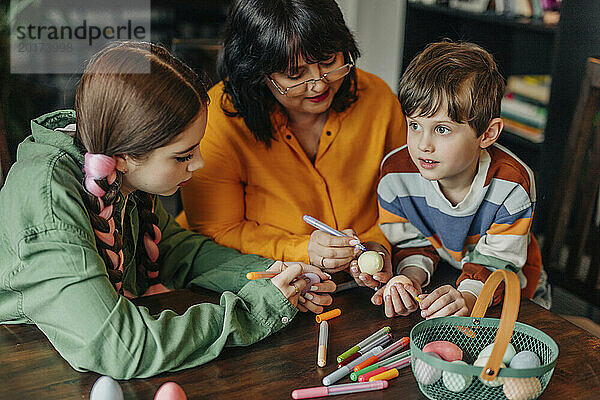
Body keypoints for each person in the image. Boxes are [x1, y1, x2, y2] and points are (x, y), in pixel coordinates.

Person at [0, 41, 334, 379]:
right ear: (127, 157)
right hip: (30, 366)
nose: (200, 163)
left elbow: (177, 250)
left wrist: (276, 275)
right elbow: (120, 347)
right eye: (183, 156)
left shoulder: (115, 165)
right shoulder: (50, 204)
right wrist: (254, 310)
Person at [178, 0, 406, 288]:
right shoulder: (218, 122)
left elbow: (406, 198)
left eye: (328, 61)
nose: (319, 85)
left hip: (360, 289)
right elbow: (217, 229)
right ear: (258, 73)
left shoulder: (378, 100)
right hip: (254, 283)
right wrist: (303, 249)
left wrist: (378, 245)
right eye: (295, 75)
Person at [371, 41, 551, 319]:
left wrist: (467, 298)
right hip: (450, 281)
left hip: (515, 294)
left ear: (487, 134)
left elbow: (497, 264)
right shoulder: (396, 175)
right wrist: (410, 279)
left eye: (442, 129)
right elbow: (412, 244)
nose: (423, 145)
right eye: (415, 125)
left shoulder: (511, 184)